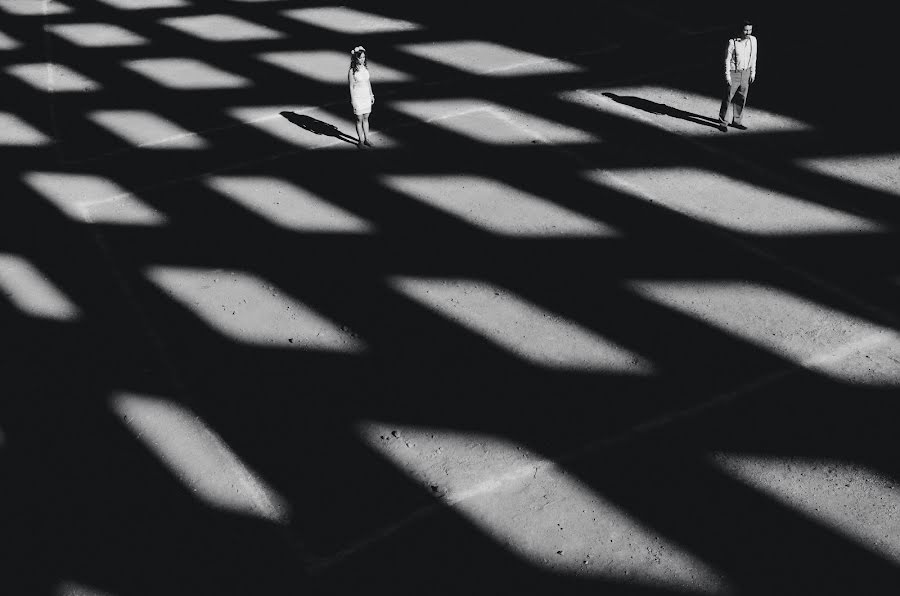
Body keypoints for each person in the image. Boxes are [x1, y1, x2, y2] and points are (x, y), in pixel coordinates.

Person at [718, 20, 757, 132]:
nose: (748, 32)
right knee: (728, 98)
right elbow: (727, 60)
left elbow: (754, 57)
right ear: (740, 30)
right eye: (745, 30)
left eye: (750, 30)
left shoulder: (753, 40)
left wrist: (753, 72)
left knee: (741, 98)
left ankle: (737, 121)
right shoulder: (732, 42)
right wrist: (727, 76)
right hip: (734, 72)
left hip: (746, 72)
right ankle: (723, 122)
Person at [348, 45, 375, 148]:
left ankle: (367, 139)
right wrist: (353, 100)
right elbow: (351, 86)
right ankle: (361, 141)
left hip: (366, 96)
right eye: (360, 57)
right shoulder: (352, 71)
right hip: (358, 97)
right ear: (356, 58)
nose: (362, 59)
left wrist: (371, 94)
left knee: (366, 118)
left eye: (364, 57)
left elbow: (368, 82)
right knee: (359, 119)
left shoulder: (365, 68)